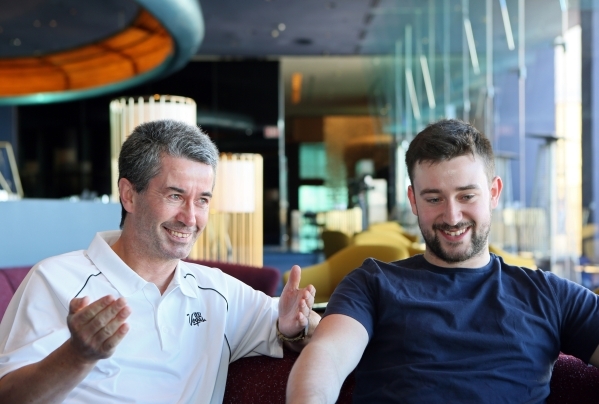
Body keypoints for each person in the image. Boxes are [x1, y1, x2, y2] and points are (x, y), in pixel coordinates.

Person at [0, 119, 320, 403]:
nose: (190, 218)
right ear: (129, 195)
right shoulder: (55, 280)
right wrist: (77, 356)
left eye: (202, 200)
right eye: (175, 196)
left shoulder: (219, 294)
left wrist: (297, 328)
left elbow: (307, 330)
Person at [286, 119, 599, 403]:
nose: (452, 216)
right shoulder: (372, 283)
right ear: (413, 200)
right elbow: (327, 356)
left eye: (466, 196)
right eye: (434, 199)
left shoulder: (549, 294)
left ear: (493, 193)